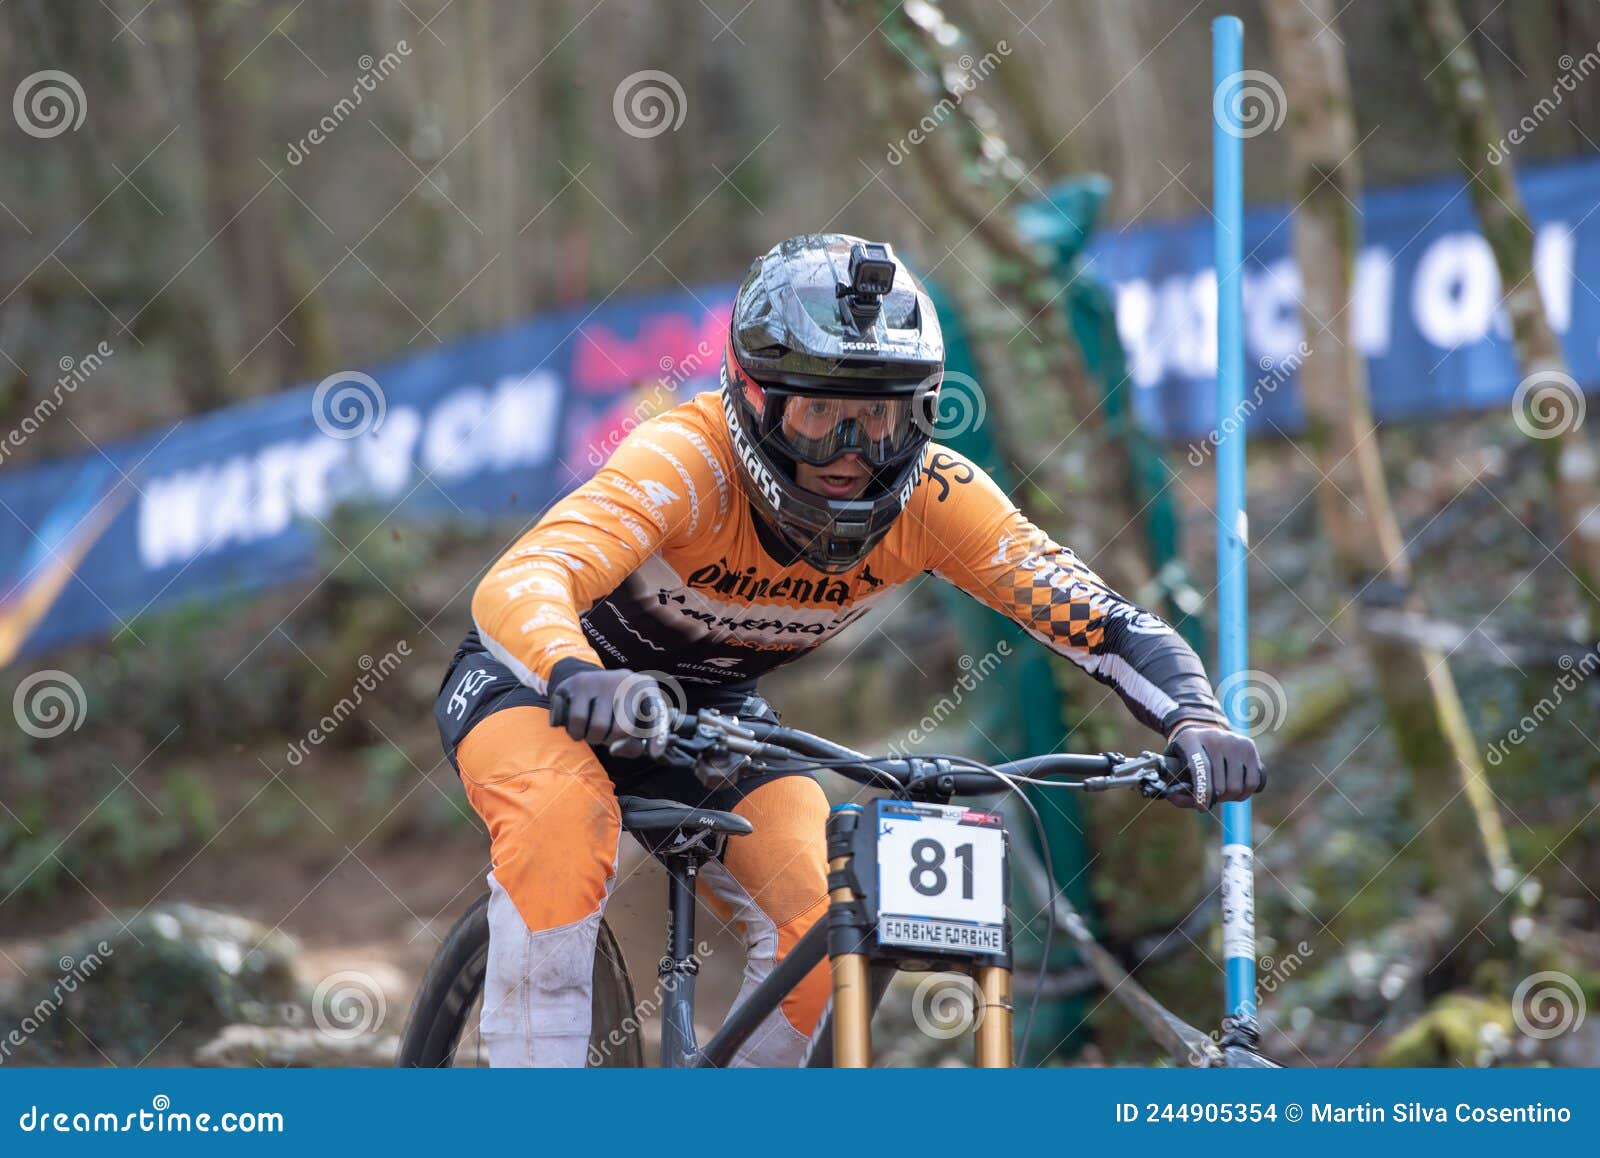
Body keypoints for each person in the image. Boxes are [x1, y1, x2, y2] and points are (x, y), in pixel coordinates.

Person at [435, 234, 1264, 1067]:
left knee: (823, 919)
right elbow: (524, 578)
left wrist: (1194, 715)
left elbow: (1104, 621)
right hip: (540, 689)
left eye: (879, 419)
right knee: (562, 823)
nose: (849, 457)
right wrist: (576, 673)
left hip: (712, 720)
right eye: (820, 416)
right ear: (752, 397)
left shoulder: (938, 499)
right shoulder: (687, 462)